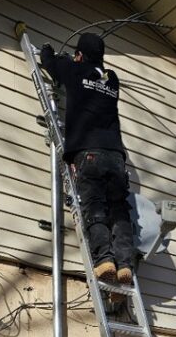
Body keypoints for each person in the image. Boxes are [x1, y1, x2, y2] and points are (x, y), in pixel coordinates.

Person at [40, 33, 135, 285]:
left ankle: (104, 259)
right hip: (115, 155)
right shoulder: (111, 80)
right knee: (119, 210)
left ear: (79, 55)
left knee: (94, 206)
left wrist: (50, 51)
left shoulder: (74, 70)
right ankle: (125, 263)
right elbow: (96, 72)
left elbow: (48, 61)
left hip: (88, 152)